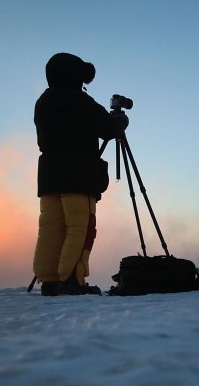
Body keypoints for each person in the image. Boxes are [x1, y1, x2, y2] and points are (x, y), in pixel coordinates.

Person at [32, 53, 128, 296]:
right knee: (81, 227)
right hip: (77, 175)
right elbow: (107, 128)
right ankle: (72, 280)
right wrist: (120, 120)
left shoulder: (43, 102)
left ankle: (51, 280)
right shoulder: (78, 100)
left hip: (49, 177)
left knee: (51, 228)